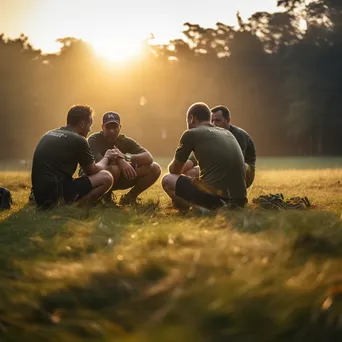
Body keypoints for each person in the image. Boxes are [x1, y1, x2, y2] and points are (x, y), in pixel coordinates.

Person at [162, 102, 247, 211]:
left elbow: (175, 170)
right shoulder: (227, 133)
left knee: (167, 179)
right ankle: (202, 206)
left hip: (216, 200)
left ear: (191, 118)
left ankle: (199, 209)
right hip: (240, 201)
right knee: (196, 173)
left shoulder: (191, 133)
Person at [31, 105, 116, 209]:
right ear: (82, 124)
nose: (89, 130)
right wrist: (106, 157)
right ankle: (75, 207)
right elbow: (92, 170)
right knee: (106, 177)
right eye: (90, 125)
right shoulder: (78, 140)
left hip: (39, 195)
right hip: (55, 195)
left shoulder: (48, 134)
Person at [84, 111, 161, 205]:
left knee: (154, 168)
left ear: (120, 127)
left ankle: (130, 197)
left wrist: (125, 157)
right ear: (102, 127)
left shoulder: (125, 140)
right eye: (108, 127)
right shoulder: (94, 139)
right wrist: (120, 161)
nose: (112, 131)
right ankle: (104, 197)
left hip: (119, 177)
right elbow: (99, 165)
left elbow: (148, 158)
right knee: (114, 169)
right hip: (96, 178)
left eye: (115, 127)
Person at [183, 105, 256, 188]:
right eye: (212, 121)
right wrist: (180, 169)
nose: (214, 124)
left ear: (228, 120)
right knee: (189, 173)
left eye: (218, 120)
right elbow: (193, 160)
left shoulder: (239, 135)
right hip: (220, 170)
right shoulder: (209, 135)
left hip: (243, 173)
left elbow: (236, 163)